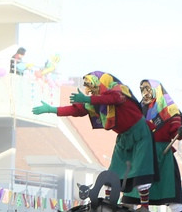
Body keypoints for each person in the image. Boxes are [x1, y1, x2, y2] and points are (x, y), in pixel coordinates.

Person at [34, 72, 155, 202]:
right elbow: (77, 110)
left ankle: (144, 206)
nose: (90, 91)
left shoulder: (118, 90)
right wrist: (52, 110)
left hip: (140, 133)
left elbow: (114, 99)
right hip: (124, 137)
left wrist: (87, 99)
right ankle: (109, 199)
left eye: (91, 86)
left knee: (140, 170)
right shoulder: (96, 100)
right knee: (115, 168)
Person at [138, 79, 182, 212]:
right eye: (142, 89)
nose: (145, 93)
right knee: (136, 183)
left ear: (156, 90)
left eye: (147, 89)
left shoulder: (170, 110)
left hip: (163, 153)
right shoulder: (139, 109)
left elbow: (176, 131)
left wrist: (180, 132)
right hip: (144, 150)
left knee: (170, 188)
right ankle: (141, 208)